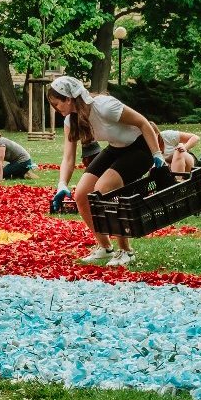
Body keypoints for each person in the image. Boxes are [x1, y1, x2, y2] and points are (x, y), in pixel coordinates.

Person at [48, 75, 174, 268]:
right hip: (117, 148)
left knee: (103, 189)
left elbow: (143, 123)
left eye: (57, 104)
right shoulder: (70, 120)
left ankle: (126, 251)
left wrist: (157, 154)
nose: (56, 109)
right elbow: (68, 157)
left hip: (140, 148)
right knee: (82, 194)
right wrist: (62, 184)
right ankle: (105, 247)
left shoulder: (104, 106)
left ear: (69, 98)